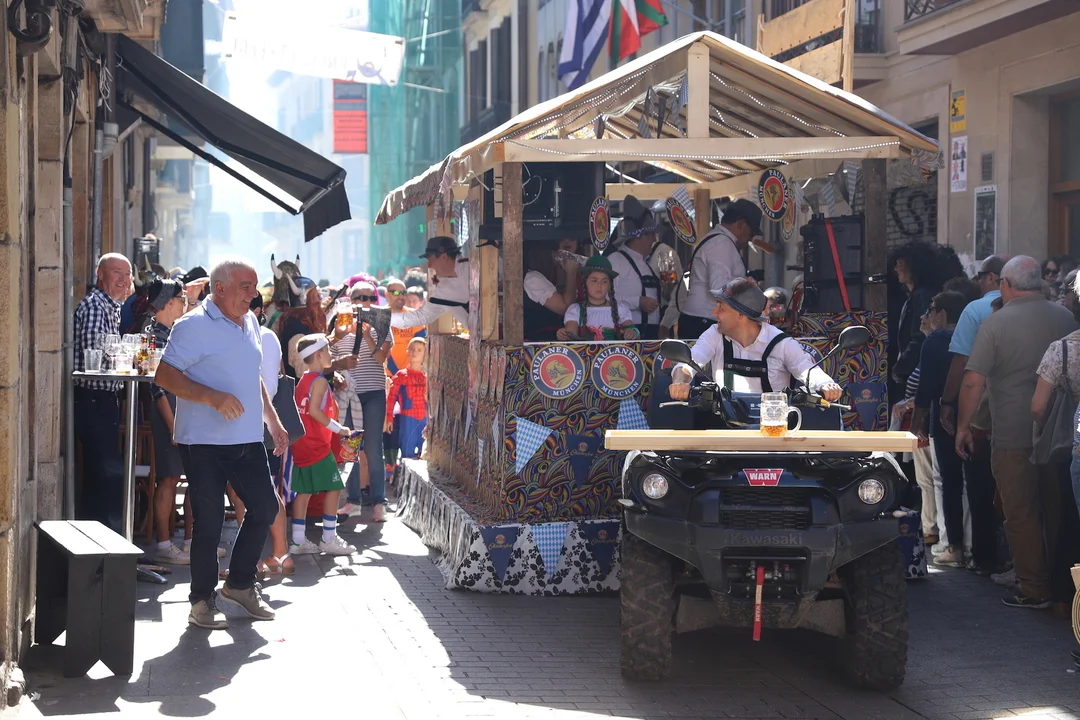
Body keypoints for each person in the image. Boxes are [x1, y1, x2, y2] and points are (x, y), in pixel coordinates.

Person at [155, 259, 289, 630]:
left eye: (255, 286)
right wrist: (212, 397)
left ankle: (240, 585)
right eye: (246, 286)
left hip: (247, 438)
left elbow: (252, 376)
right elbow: (164, 375)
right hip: (203, 442)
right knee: (209, 522)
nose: (253, 294)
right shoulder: (191, 325)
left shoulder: (250, 321)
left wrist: (273, 421)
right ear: (220, 288)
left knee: (265, 507)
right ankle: (201, 602)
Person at [955, 256, 1079, 609]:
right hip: (1059, 434)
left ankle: (1033, 586)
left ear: (1005, 285)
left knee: (1021, 512)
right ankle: (1063, 586)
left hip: (1012, 433)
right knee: (1057, 510)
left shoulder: (995, 323)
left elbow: (973, 381)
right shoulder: (1065, 317)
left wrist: (964, 427)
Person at [668, 277, 842, 404]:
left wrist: (827, 385)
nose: (714, 313)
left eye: (721, 307)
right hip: (726, 428)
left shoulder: (781, 343)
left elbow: (807, 370)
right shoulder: (714, 334)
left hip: (773, 430)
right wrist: (679, 382)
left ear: (741, 314)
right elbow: (689, 363)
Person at [939, 254, 1006, 576]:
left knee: (980, 485)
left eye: (980, 275)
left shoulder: (976, 310)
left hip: (983, 412)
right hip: (1029, 416)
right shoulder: (1054, 312)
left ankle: (985, 556)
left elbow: (962, 364)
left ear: (992, 277)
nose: (977, 281)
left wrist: (948, 402)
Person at [73, 253, 133, 532]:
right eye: (117, 272)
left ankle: (99, 541)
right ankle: (106, 542)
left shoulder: (111, 306)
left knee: (102, 475)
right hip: (94, 400)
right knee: (107, 474)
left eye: (127, 274)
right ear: (100, 274)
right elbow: (93, 358)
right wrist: (127, 358)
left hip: (102, 400)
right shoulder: (97, 306)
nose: (124, 279)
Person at [910, 291, 970, 569]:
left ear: (942, 313)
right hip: (975, 416)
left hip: (945, 417)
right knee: (970, 483)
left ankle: (953, 545)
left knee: (947, 480)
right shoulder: (974, 334)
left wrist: (916, 425)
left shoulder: (936, 340)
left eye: (932, 308)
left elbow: (925, 388)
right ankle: (971, 546)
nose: (929, 314)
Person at [288, 335, 357, 556]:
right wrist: (340, 429)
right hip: (317, 446)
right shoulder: (319, 381)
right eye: (327, 350)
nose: (331, 355)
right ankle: (329, 538)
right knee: (335, 488)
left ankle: (298, 541)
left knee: (303, 492)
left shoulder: (302, 380)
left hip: (302, 445)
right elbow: (314, 411)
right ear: (318, 355)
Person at [332, 282, 393, 523]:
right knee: (350, 447)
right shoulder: (340, 321)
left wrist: (367, 334)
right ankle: (353, 500)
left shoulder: (381, 323)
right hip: (348, 394)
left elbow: (380, 359)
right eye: (359, 297)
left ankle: (378, 501)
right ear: (351, 298)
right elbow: (330, 355)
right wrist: (335, 375)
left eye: (369, 297)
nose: (364, 301)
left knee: (373, 449)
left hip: (374, 392)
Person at [145, 278, 194, 565]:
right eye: (182, 298)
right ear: (170, 301)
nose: (185, 304)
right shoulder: (153, 334)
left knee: (190, 475)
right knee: (169, 477)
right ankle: (164, 544)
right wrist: (172, 423)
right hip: (167, 411)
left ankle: (190, 542)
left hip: (181, 409)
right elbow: (157, 386)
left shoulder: (173, 332)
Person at [677, 199, 762, 339]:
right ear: (741, 224)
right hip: (704, 322)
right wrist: (747, 289)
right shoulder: (722, 244)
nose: (750, 239)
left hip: (701, 320)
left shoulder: (717, 240)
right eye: (751, 233)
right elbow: (719, 287)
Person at [609, 196, 663, 339]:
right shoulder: (615, 261)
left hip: (651, 334)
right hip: (627, 334)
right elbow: (605, 298)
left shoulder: (648, 264)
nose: (654, 239)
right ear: (640, 236)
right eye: (651, 234)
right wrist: (637, 302)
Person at [391, 236, 469, 330]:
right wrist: (385, 319)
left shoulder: (471, 266)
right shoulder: (445, 289)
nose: (429, 265)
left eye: (431, 259)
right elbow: (423, 316)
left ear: (444, 257)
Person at [557, 256, 639, 341]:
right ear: (585, 282)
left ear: (609, 285)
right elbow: (571, 333)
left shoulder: (620, 309)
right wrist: (565, 334)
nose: (599, 285)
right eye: (594, 280)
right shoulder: (575, 310)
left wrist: (632, 333)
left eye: (604, 281)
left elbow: (634, 331)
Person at [523, 239, 581, 342]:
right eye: (554, 253)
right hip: (539, 342)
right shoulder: (532, 278)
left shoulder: (548, 276)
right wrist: (571, 273)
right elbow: (565, 308)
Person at [385, 337, 428, 460]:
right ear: (407, 352)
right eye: (412, 349)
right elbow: (391, 398)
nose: (415, 352)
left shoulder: (429, 376)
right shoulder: (401, 376)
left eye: (419, 350)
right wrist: (389, 418)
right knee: (407, 452)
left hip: (426, 420)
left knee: (425, 453)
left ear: (425, 354)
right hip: (408, 419)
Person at [384, 276, 426, 376]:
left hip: (411, 375)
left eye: (403, 293)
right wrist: (397, 374)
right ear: (387, 294)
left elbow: (422, 345)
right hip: (387, 375)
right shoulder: (380, 316)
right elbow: (383, 350)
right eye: (396, 293)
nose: (401, 296)